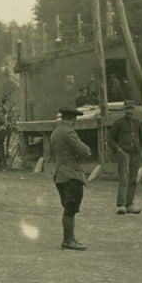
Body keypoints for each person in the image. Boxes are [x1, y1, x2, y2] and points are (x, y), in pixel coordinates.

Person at [51, 105, 92, 250]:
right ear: (72, 119)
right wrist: (87, 151)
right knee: (71, 208)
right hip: (71, 175)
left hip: (60, 174)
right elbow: (83, 150)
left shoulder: (56, 132)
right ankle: (68, 240)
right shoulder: (69, 133)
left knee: (68, 207)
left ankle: (69, 239)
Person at [108, 100, 142, 215]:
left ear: (134, 110)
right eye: (127, 109)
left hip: (135, 153)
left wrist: (141, 153)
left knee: (133, 178)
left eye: (131, 109)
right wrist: (118, 149)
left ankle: (130, 204)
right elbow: (110, 138)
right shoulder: (118, 123)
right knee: (124, 178)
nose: (129, 111)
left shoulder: (138, 123)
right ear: (124, 110)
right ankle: (121, 205)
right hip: (124, 153)